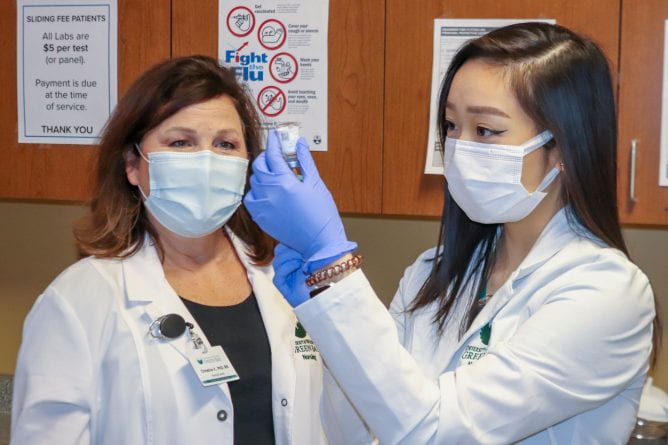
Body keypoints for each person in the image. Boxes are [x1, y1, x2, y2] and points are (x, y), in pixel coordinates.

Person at [244, 23, 658, 444]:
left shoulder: (606, 293)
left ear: (564, 149)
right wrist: (324, 303)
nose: (460, 148)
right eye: (451, 126)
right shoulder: (432, 274)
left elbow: (434, 432)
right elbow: (357, 429)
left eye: (485, 130)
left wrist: (333, 265)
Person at [12, 56, 329, 444]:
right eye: (181, 142)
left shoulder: (284, 279)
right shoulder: (79, 300)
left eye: (225, 144)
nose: (207, 161)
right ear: (133, 164)